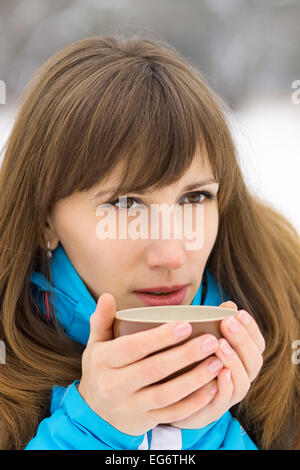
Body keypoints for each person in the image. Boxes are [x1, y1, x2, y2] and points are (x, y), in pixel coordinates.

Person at [0, 35, 299, 450]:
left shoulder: (290, 317)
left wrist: (192, 427)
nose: (172, 254)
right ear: (43, 221)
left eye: (195, 197)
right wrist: (90, 431)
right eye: (125, 203)